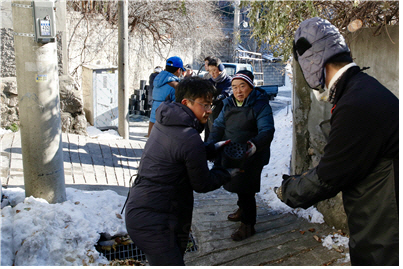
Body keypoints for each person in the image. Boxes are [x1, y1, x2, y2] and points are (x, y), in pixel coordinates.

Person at [274, 17, 398, 266]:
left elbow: (330, 175)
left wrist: (288, 190)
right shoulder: (364, 89)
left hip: (386, 236)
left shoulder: (355, 104)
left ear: (311, 61)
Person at [125, 76, 240, 266]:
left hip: (148, 211)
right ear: (186, 102)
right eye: (205, 104)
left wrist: (211, 148)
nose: (209, 111)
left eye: (210, 104)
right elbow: (202, 183)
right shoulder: (189, 137)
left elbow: (179, 154)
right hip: (153, 222)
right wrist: (227, 173)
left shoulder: (166, 122)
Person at [207, 70, 275, 241]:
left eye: (242, 86)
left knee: (247, 189)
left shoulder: (260, 105)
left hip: (252, 153)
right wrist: (211, 144)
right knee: (236, 182)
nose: (238, 91)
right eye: (234, 87)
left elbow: (267, 130)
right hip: (232, 152)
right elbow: (219, 125)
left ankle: (248, 225)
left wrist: (252, 146)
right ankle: (241, 209)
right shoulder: (229, 103)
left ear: (251, 87)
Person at [147, 56, 185, 137]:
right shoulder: (175, 86)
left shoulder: (157, 81)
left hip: (153, 123)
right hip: (166, 125)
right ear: (178, 70)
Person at [204, 57, 232, 142]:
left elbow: (226, 93)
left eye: (214, 70)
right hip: (210, 115)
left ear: (220, 68)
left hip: (223, 114)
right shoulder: (209, 82)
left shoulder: (228, 81)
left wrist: (218, 98)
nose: (212, 73)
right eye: (210, 71)